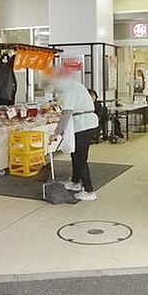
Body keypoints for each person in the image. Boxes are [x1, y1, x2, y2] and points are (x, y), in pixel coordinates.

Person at [49, 70, 100, 201]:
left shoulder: (69, 89)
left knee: (80, 158)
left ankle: (89, 191)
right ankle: (75, 182)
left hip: (83, 125)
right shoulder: (75, 86)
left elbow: (66, 113)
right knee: (75, 154)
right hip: (86, 124)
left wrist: (57, 133)